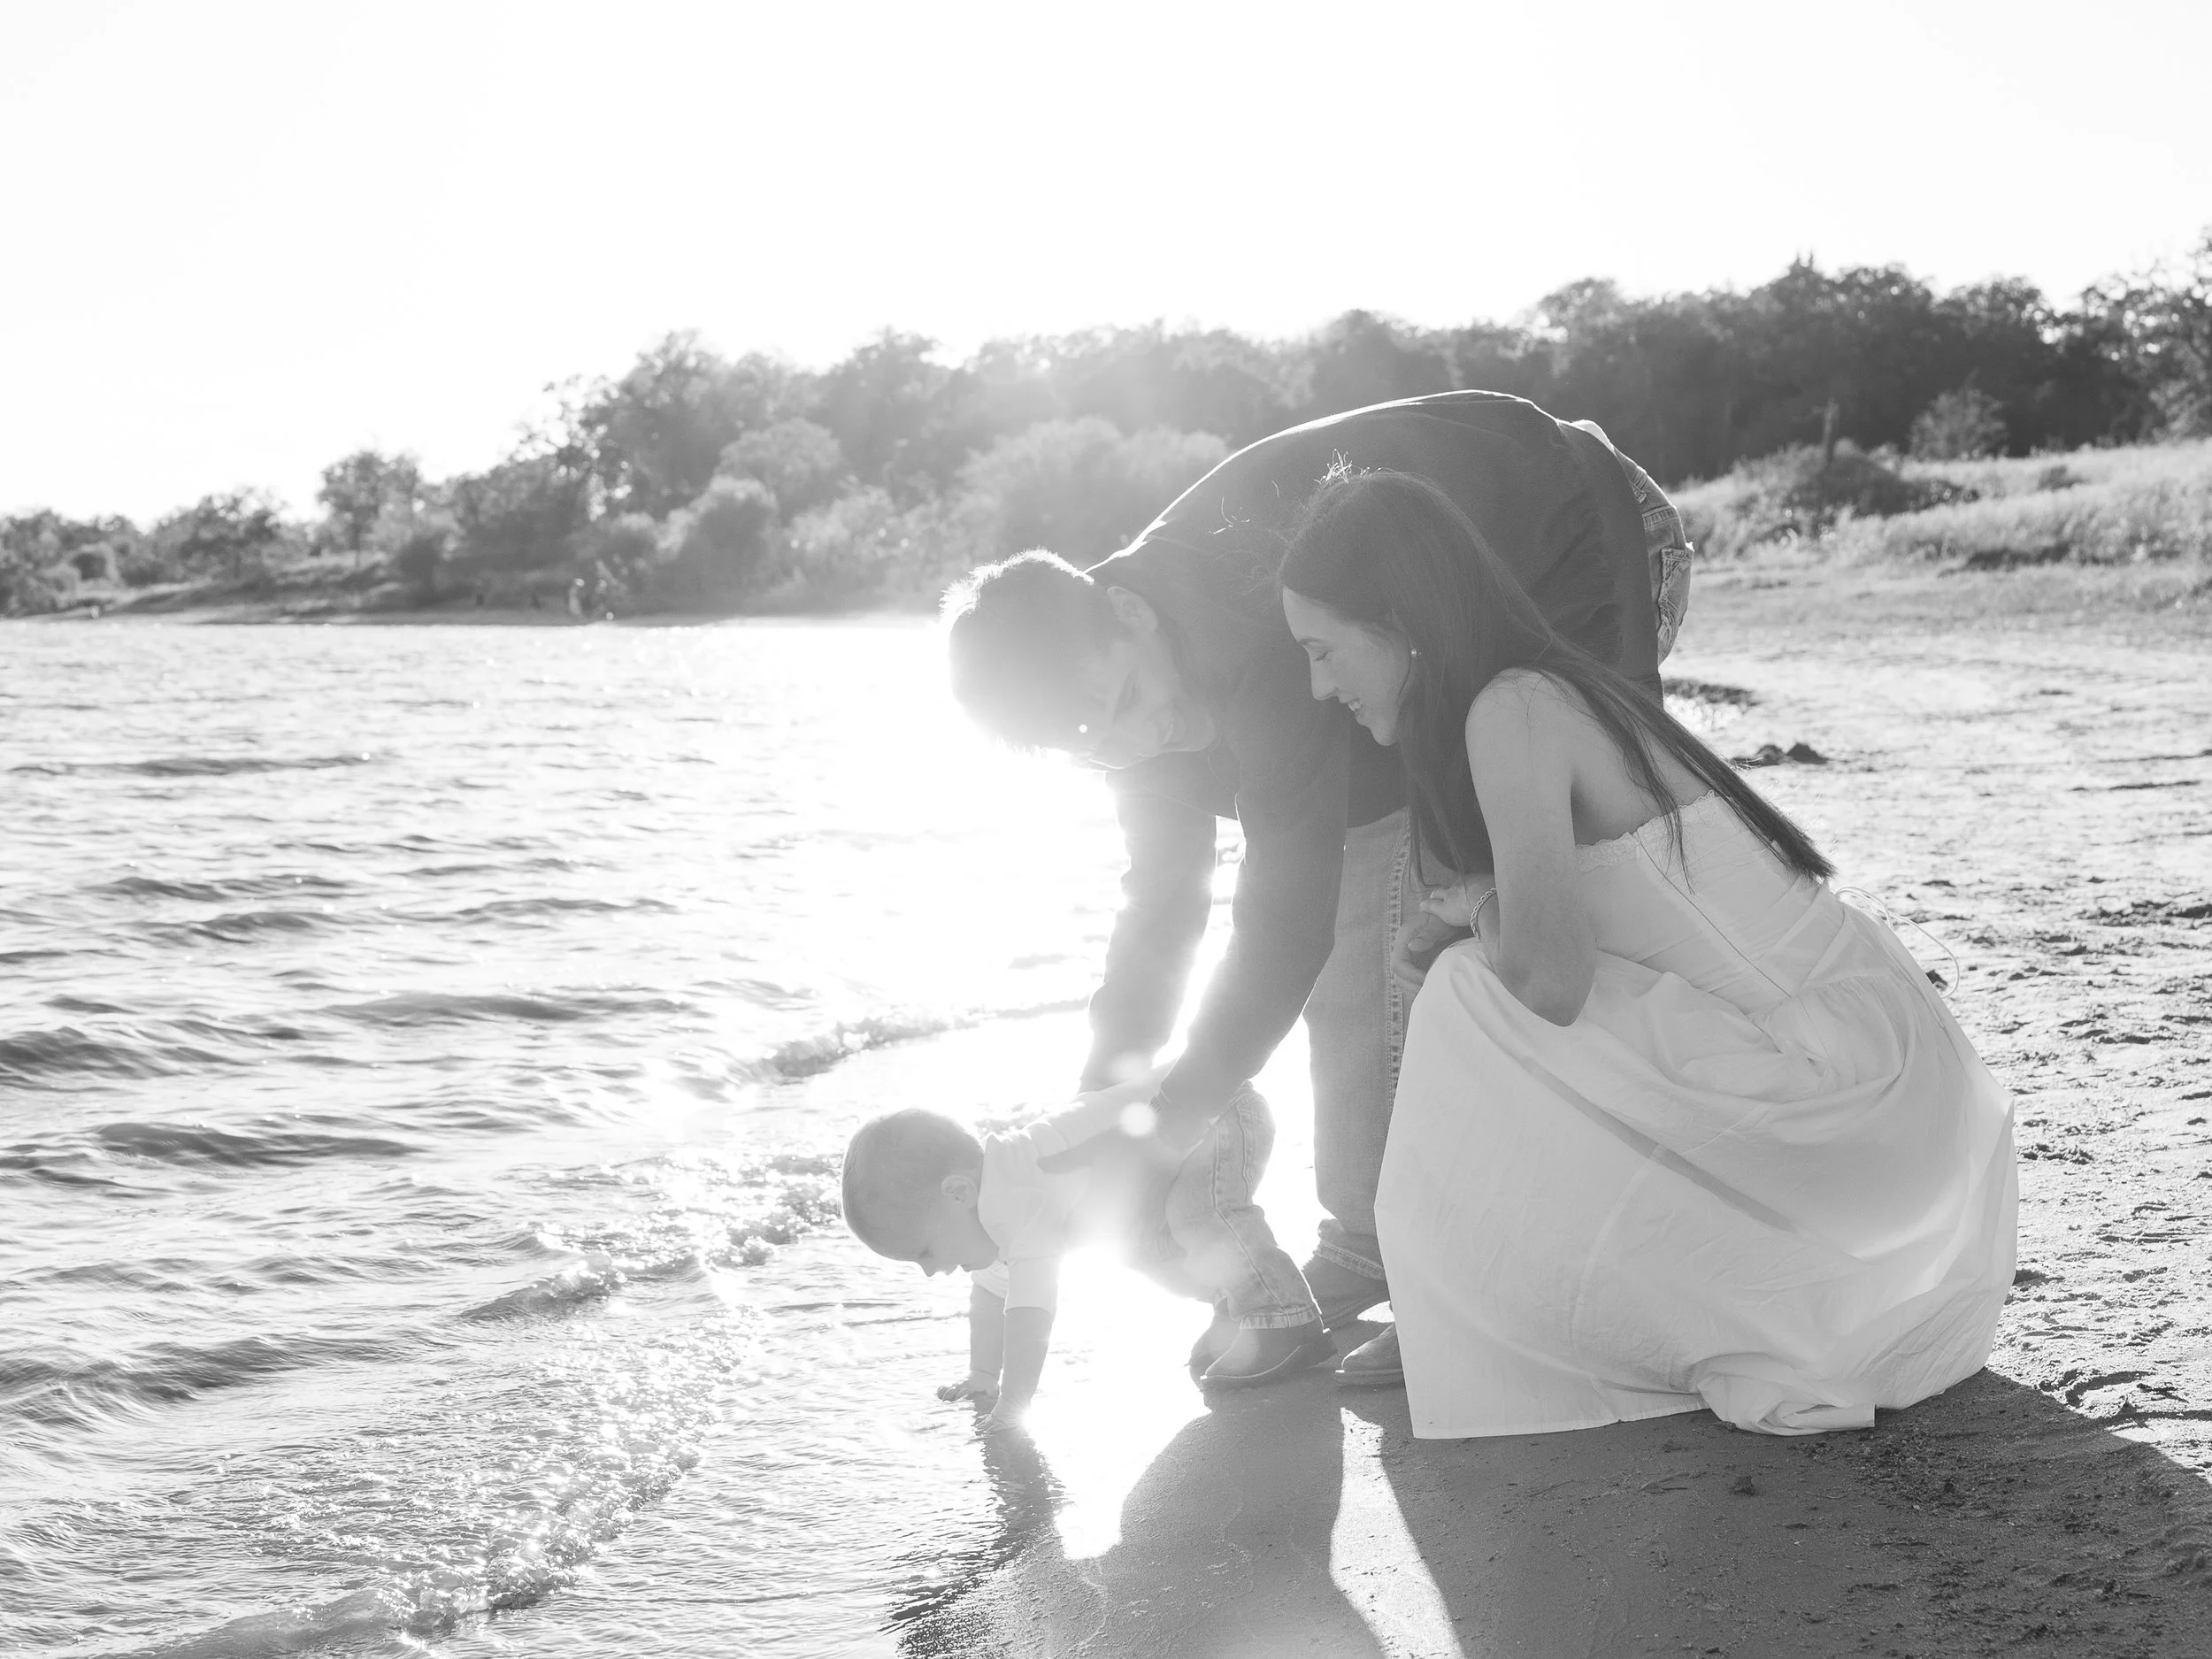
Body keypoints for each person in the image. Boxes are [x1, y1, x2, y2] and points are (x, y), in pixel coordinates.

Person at [941, 391, 1692, 1382]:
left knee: (1495, 911)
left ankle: (1477, 1270)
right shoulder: (1118, 706)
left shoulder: (1247, 625)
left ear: (1128, 612)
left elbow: (1283, 919)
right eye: (1096, 743)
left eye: (1126, 702)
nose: (1138, 740)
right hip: (1405, 643)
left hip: (1578, 533)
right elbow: (1162, 910)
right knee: (1361, 936)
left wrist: (1165, 1128)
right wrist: (1099, 1110)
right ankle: (1373, 1237)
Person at [1278, 467, 2017, 1435]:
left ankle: (1471, 1309)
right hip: (1898, 1097)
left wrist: (1473, 906)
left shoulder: (1513, 711)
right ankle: (1479, 1301)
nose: (1316, 686)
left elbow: (1550, 981)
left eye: (1323, 650)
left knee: (1469, 994)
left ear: (1399, 621)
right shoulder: (1547, 691)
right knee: (1478, 974)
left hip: (1848, 1101)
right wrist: (1476, 911)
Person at [841, 1072, 1331, 1419]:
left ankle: (1282, 1315)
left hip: (1216, 1108)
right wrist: (983, 1375)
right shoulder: (989, 1211)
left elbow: (1030, 1313)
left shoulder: (1017, 1196)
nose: (930, 1271)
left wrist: (1014, 1405)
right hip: (1169, 1157)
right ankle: (1238, 1306)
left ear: (957, 1193)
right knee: (1146, 1248)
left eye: (923, 1252)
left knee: (1200, 1215)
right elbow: (990, 1295)